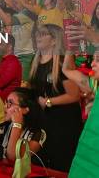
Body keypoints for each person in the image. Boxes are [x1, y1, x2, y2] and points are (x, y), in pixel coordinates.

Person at [28, 23, 82, 171]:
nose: (38, 36)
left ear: (54, 40)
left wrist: (50, 101)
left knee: (60, 165)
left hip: (64, 123)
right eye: (38, 33)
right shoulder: (35, 60)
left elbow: (74, 95)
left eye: (44, 34)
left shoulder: (62, 61)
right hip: (44, 120)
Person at [64, 51, 99, 177]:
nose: (93, 63)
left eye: (98, 60)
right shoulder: (94, 86)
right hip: (82, 164)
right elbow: (67, 70)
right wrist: (70, 47)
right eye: (93, 59)